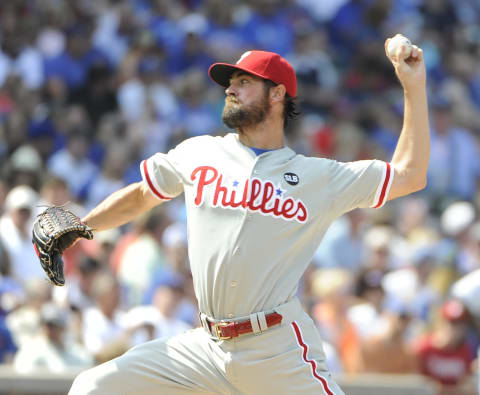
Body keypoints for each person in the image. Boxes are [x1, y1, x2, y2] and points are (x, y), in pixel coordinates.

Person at [69, 35, 430, 394]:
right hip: (206, 348)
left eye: (244, 82)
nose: (231, 90)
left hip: (276, 350)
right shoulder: (201, 152)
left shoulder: (318, 176)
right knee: (92, 387)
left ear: (277, 94)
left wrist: (413, 86)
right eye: (230, 83)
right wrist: (82, 226)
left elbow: (410, 175)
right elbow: (143, 195)